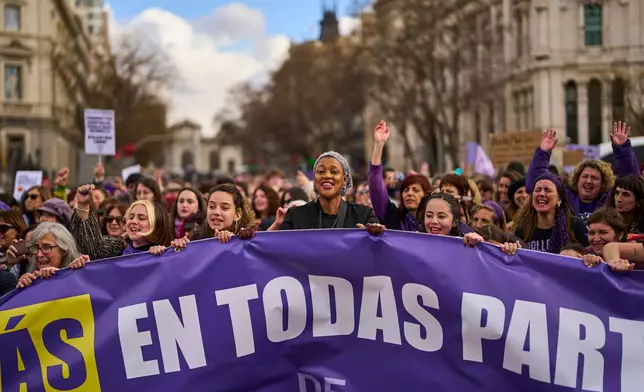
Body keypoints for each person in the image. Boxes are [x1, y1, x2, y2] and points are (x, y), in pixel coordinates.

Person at [527, 124, 639, 221]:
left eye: (594, 178)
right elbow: (537, 182)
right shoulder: (564, 198)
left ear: (603, 183)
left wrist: (623, 149)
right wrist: (543, 153)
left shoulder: (611, 200)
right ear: (577, 179)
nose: (589, 181)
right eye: (585, 176)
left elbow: (631, 183)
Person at [270, 151, 383, 234]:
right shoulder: (295, 216)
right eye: (321, 171)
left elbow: (382, 248)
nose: (327, 176)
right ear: (314, 178)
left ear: (345, 179)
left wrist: (373, 236)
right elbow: (274, 251)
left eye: (334, 171)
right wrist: (252, 238)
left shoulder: (364, 215)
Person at [70, 184, 173, 260]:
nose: (133, 221)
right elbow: (92, 248)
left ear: (157, 224)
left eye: (141, 218)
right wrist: (83, 205)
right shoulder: (117, 247)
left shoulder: (164, 254)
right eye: (131, 217)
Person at [368, 121, 432, 231]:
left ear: (426, 195)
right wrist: (379, 145)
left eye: (416, 190)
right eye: (406, 190)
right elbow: (376, 187)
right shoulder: (392, 216)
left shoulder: (433, 223)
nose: (409, 194)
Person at [513, 172, 588, 253]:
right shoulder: (522, 229)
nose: (541, 194)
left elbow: (587, 256)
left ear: (559, 200)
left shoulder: (575, 225)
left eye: (548, 190)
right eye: (537, 190)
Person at [15, 222, 81, 288]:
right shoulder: (30, 281)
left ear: (64, 250)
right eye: (36, 247)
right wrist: (22, 290)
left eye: (46, 247)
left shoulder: (80, 277)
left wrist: (59, 276)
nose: (39, 254)